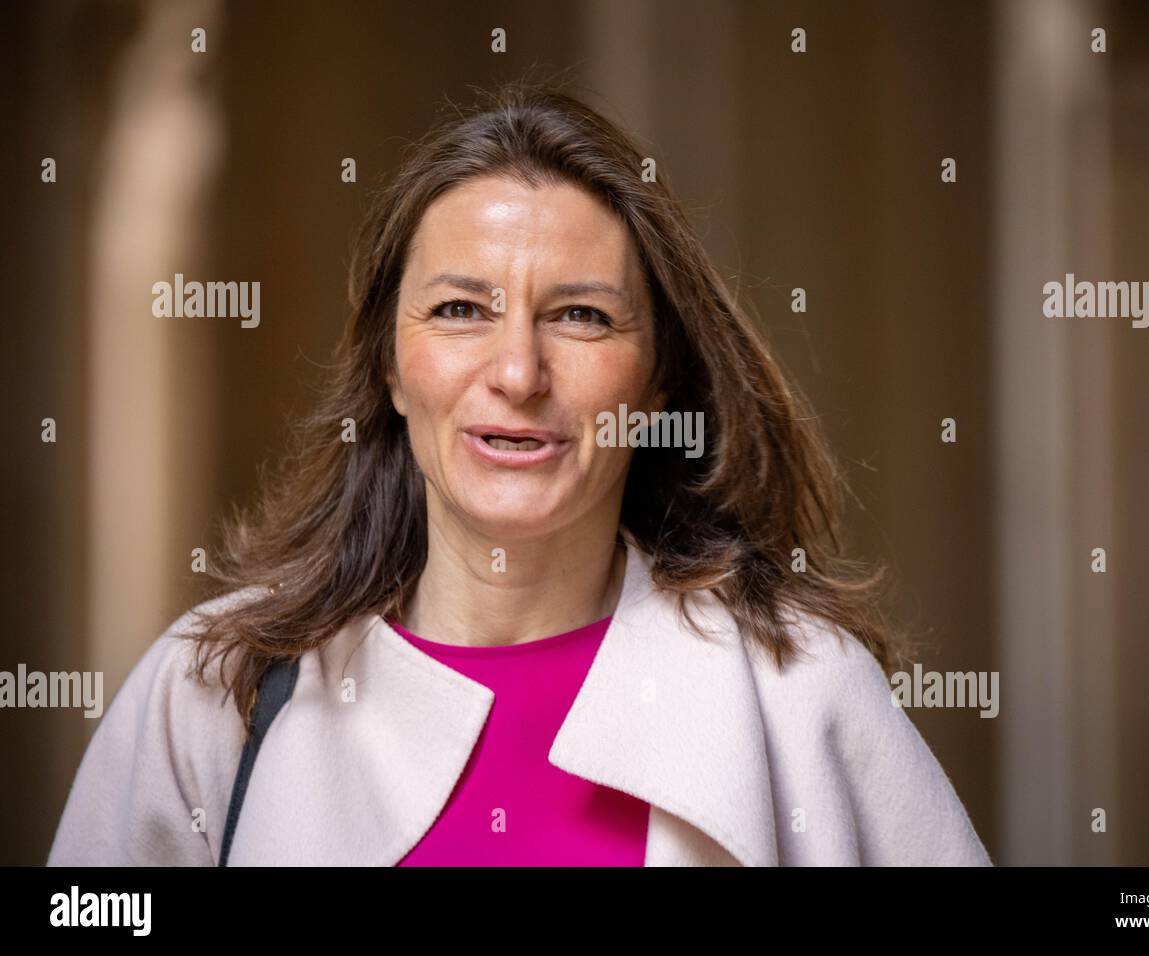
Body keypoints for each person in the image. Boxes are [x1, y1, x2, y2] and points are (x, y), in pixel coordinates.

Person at [47, 80, 992, 867]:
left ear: (659, 378)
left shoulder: (799, 694)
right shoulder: (215, 692)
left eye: (581, 316)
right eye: (461, 309)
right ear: (390, 365)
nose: (517, 373)